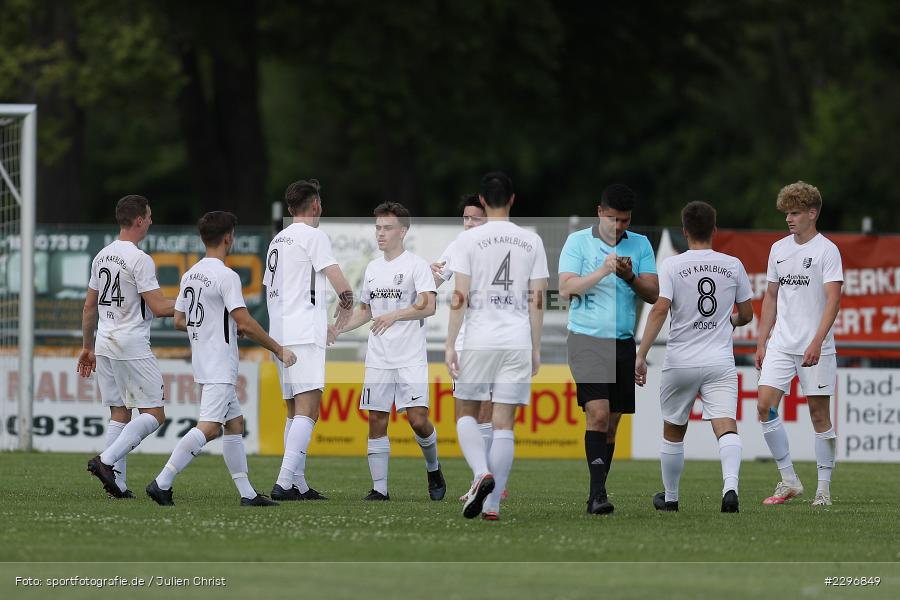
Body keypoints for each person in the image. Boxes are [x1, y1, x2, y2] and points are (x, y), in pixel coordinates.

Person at [146, 212, 297, 506]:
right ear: (229, 238)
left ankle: (248, 494)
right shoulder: (227, 276)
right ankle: (162, 482)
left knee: (235, 423)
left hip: (204, 359)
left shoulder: (191, 274)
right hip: (219, 364)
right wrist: (279, 349)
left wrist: (219, 324)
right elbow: (246, 323)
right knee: (210, 427)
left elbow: (178, 320)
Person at [635, 201, 754, 512]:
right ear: (715, 230)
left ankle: (671, 498)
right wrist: (730, 321)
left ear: (684, 231)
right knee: (726, 426)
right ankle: (730, 487)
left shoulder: (673, 265)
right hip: (719, 361)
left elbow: (660, 309)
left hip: (681, 360)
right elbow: (747, 314)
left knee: (674, 429)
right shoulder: (733, 264)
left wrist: (642, 353)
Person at [446, 171, 548, 521]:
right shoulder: (531, 241)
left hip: (480, 338)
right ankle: (493, 506)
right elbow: (538, 298)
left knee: (465, 414)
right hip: (517, 339)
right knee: (504, 424)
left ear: (483, 202)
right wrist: (535, 347)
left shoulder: (469, 240)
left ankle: (479, 474)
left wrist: (449, 344)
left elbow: (459, 296)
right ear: (513, 199)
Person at [331, 202, 445, 501]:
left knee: (418, 421)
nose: (380, 233)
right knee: (377, 419)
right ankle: (380, 489)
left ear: (403, 231)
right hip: (379, 357)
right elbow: (366, 311)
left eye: (387, 228)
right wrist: (338, 329)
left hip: (410, 357)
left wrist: (395, 315)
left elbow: (429, 306)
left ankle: (433, 467)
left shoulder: (416, 265)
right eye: (378, 228)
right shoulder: (372, 268)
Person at [558, 184, 658, 515]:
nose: (619, 227)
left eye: (625, 221)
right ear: (599, 212)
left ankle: (596, 494)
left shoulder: (641, 244)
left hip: (622, 341)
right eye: (613, 219)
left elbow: (653, 294)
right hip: (586, 338)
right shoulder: (578, 242)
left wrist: (629, 276)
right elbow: (566, 288)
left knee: (612, 423)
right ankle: (598, 494)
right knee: (598, 413)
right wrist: (603, 269)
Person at [79, 195, 175, 498]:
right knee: (154, 414)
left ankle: (116, 485)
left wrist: (86, 346)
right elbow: (159, 307)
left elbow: (89, 307)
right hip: (130, 344)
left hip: (104, 342)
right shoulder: (139, 258)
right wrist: (193, 303)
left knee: (120, 414)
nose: (150, 221)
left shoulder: (101, 255)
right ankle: (106, 461)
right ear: (138, 220)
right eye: (148, 217)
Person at [755, 181, 843, 507]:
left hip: (815, 345)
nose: (788, 219)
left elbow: (833, 299)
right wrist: (762, 341)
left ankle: (824, 489)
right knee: (764, 406)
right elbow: (771, 296)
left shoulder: (827, 250)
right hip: (781, 343)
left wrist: (818, 341)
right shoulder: (778, 249)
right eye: (786, 213)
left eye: (794, 213)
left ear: (812, 213)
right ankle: (789, 480)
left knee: (820, 417)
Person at [267, 180, 354, 501]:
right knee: (308, 409)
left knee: (293, 410)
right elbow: (340, 284)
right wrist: (342, 313)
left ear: (290, 209)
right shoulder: (313, 235)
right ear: (315, 205)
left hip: (279, 332)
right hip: (304, 332)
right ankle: (283, 482)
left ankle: (297, 484)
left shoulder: (277, 240)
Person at [431, 194, 504, 501]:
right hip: (468, 339)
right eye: (466, 218)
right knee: (471, 411)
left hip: (491, 338)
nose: (470, 223)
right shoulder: (459, 245)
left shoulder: (500, 247)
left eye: (475, 218)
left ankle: (485, 479)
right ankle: (487, 479)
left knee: (481, 410)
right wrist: (428, 271)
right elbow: (434, 280)